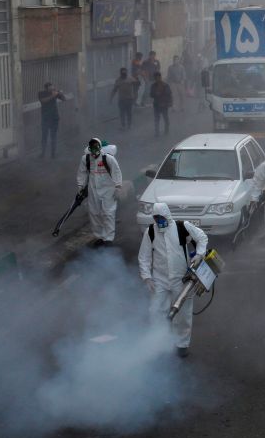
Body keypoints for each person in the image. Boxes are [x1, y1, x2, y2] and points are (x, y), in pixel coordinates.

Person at [138, 202, 208, 358]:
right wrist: (147, 277)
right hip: (159, 279)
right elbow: (144, 257)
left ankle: (181, 344)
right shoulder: (150, 232)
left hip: (181, 279)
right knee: (156, 310)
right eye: (156, 218)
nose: (158, 221)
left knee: (182, 313)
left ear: (167, 216)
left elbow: (202, 237)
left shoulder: (182, 227)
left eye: (161, 217)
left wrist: (199, 254)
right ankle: (158, 343)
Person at [76, 138, 122, 246]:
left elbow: (116, 172)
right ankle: (100, 237)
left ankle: (109, 239)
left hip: (108, 191)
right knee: (94, 213)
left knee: (108, 213)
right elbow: (81, 173)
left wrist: (118, 187)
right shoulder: (86, 159)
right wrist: (80, 186)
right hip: (93, 190)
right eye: (92, 148)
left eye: (96, 147)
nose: (94, 150)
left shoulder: (108, 158)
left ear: (100, 147)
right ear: (89, 148)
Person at [38, 82, 65, 158]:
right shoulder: (41, 93)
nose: (52, 89)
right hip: (45, 118)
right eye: (50, 88)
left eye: (52, 87)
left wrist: (60, 93)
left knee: (53, 136)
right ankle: (43, 153)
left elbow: (64, 99)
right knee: (44, 136)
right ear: (46, 88)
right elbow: (43, 101)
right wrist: (53, 95)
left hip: (54, 118)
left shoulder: (55, 93)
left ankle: (53, 154)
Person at [149, 72, 172, 136]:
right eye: (156, 78)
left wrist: (169, 102)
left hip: (163, 104)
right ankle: (157, 132)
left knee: (165, 118)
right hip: (157, 104)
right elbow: (151, 94)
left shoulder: (165, 85)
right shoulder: (153, 86)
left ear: (160, 77)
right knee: (157, 119)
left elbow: (169, 94)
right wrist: (155, 94)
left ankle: (166, 130)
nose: (157, 79)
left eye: (158, 77)